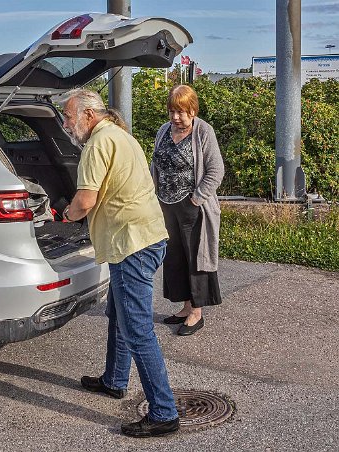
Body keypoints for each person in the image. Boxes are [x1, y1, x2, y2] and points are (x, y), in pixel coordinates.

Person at [60, 89, 179, 438]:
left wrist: (66, 215)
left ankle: (164, 412)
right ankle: (114, 379)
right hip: (144, 236)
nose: (66, 124)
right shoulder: (120, 136)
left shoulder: (97, 144)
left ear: (88, 115)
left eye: (68, 116)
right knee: (119, 314)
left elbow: (85, 200)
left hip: (130, 245)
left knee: (138, 330)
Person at [151, 85, 224, 336]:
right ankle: (184, 306)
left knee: (195, 258)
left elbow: (216, 171)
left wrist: (196, 199)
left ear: (193, 110)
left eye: (181, 112)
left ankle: (196, 313)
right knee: (174, 258)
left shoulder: (203, 131)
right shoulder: (163, 131)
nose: (175, 117)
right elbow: (155, 166)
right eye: (172, 111)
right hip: (166, 205)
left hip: (193, 207)